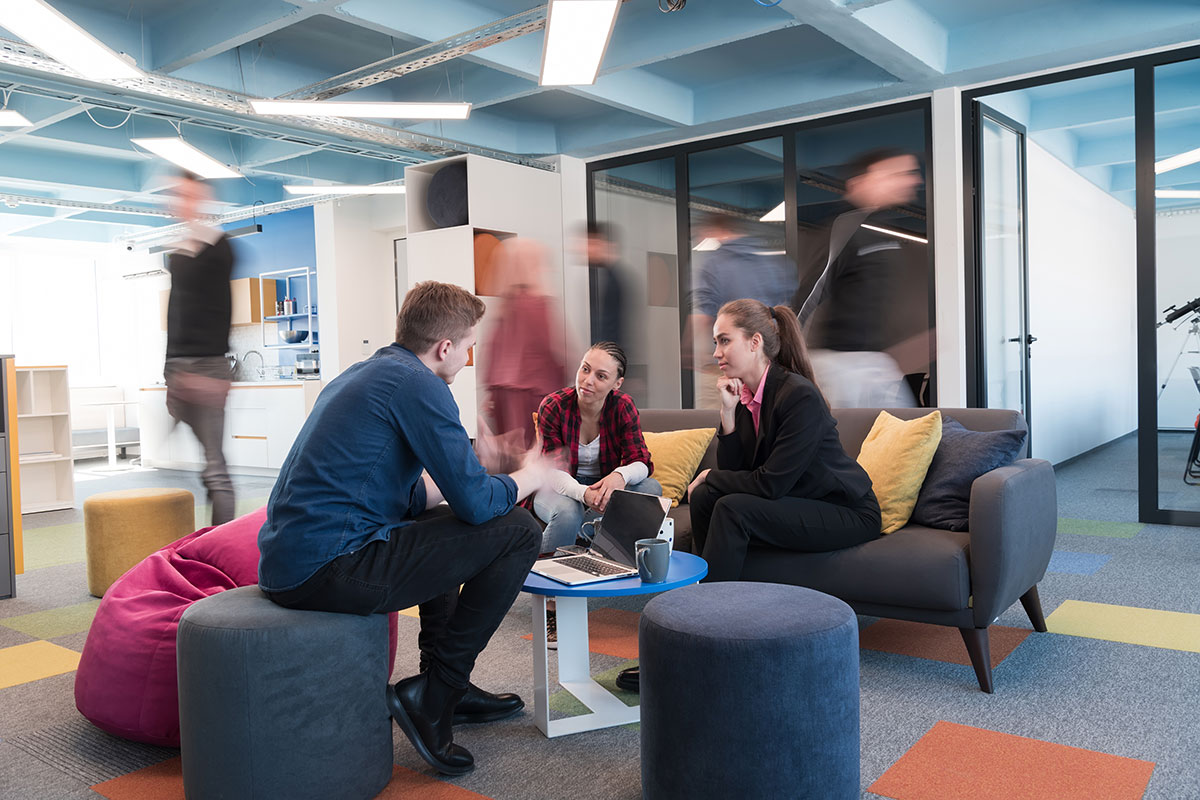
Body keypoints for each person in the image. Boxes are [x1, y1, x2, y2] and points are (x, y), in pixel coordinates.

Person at [258, 281, 550, 777]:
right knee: (519, 529)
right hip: (330, 568)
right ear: (445, 347)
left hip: (292, 561)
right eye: (469, 347)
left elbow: (397, 493)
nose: (468, 359)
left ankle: (445, 687)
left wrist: (483, 468)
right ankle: (438, 692)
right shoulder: (422, 386)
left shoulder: (370, 372)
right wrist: (531, 475)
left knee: (444, 521)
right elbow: (479, 504)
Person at [686, 298, 882, 583]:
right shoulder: (744, 396)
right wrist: (727, 414)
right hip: (797, 499)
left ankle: (713, 603)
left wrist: (709, 475)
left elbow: (770, 484)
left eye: (725, 341)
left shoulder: (798, 395)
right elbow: (735, 472)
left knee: (731, 509)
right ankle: (702, 589)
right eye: (716, 342)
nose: (716, 353)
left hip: (845, 510)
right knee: (705, 497)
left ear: (755, 342)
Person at [797, 147, 926, 407]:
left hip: (875, 362)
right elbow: (811, 293)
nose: (914, 180)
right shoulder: (846, 227)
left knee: (903, 426)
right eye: (898, 174)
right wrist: (786, 355)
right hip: (840, 363)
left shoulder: (880, 230)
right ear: (863, 181)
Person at [532, 342, 662, 556]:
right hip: (555, 488)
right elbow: (551, 470)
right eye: (585, 369)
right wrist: (583, 494)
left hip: (603, 487)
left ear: (617, 383)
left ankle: (588, 548)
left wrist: (619, 476)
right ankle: (548, 573)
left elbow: (641, 461)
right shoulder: (554, 405)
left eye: (601, 376)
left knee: (651, 488)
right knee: (569, 511)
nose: (588, 380)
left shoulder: (623, 406)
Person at [163, 171, 236, 525]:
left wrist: (209, 377)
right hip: (179, 369)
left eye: (188, 195)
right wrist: (169, 370)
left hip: (206, 368)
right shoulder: (179, 249)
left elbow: (218, 310)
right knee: (208, 467)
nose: (180, 202)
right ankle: (211, 534)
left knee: (215, 467)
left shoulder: (218, 246)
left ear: (203, 198)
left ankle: (221, 540)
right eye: (177, 195)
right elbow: (176, 312)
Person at [683, 212, 798, 408]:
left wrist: (687, 349)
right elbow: (783, 309)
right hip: (765, 364)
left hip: (727, 366)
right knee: (761, 415)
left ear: (718, 230)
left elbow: (703, 314)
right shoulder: (773, 262)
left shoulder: (715, 263)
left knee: (715, 416)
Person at [481, 238, 566, 449]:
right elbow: (550, 350)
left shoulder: (505, 304)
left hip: (503, 393)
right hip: (533, 392)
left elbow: (492, 349)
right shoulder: (537, 304)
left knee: (512, 452)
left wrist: (491, 391)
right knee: (535, 453)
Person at [584, 222, 626, 347]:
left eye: (593, 244)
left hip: (607, 351)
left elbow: (612, 326)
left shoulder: (613, 280)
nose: (589, 249)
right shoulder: (595, 276)